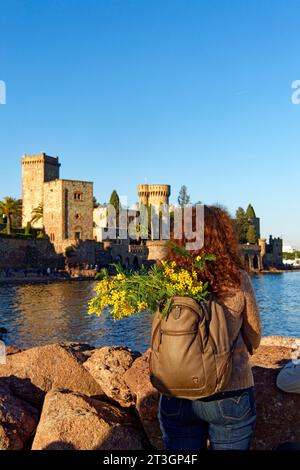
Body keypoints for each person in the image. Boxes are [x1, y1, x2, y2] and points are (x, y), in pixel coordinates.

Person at [158, 205, 262, 450]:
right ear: (224, 236)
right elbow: (254, 334)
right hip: (230, 390)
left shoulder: (168, 279)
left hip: (177, 389)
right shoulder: (237, 278)